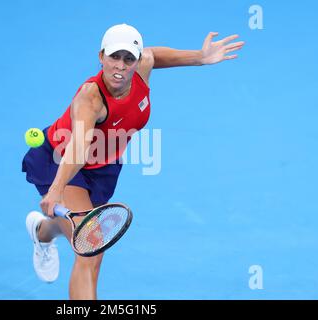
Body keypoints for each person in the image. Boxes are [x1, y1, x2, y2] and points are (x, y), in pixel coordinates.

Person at [22, 23, 245, 300]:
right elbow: (78, 148)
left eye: (129, 58)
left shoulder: (143, 67)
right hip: (62, 162)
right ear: (101, 56)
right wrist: (55, 189)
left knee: (80, 235)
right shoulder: (90, 98)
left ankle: (42, 231)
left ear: (137, 61)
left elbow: (154, 55)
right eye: (114, 56)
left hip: (103, 167)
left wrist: (199, 57)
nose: (120, 65)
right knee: (92, 248)